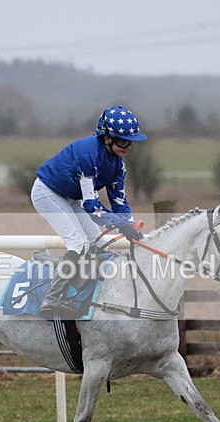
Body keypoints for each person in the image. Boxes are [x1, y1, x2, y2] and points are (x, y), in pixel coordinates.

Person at [31, 105, 146, 317]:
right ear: (107, 138)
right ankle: (53, 299)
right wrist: (121, 225)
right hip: (47, 193)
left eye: (130, 142)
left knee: (100, 244)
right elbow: (92, 208)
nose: (127, 146)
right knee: (79, 243)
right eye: (122, 141)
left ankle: (86, 293)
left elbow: (119, 203)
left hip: (71, 197)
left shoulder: (118, 166)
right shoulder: (88, 156)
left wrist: (131, 225)